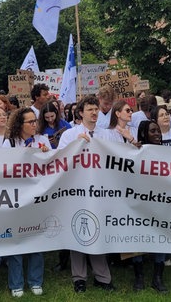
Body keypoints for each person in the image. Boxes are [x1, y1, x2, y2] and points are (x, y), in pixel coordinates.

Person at [58, 95, 115, 293]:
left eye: (96, 109)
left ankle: (103, 277)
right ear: (81, 113)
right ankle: (79, 277)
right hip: (77, 189)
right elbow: (60, 161)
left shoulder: (107, 135)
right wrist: (76, 144)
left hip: (100, 189)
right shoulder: (69, 134)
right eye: (90, 109)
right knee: (79, 231)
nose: (94, 112)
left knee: (98, 230)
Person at [2, 108, 50, 297]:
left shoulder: (43, 140)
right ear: (19, 125)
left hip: (37, 195)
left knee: (36, 237)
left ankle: (35, 280)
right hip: (17, 196)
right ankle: (16, 283)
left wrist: (46, 154)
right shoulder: (10, 143)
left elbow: (54, 166)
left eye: (35, 121)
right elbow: (5, 168)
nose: (34, 125)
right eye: (29, 122)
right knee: (16, 239)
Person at [132, 119, 169, 293]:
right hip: (140, 203)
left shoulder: (167, 154)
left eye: (158, 131)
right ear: (144, 134)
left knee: (159, 238)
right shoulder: (134, 154)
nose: (157, 134)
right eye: (153, 131)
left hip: (160, 203)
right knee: (138, 238)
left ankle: (158, 277)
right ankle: (139, 276)